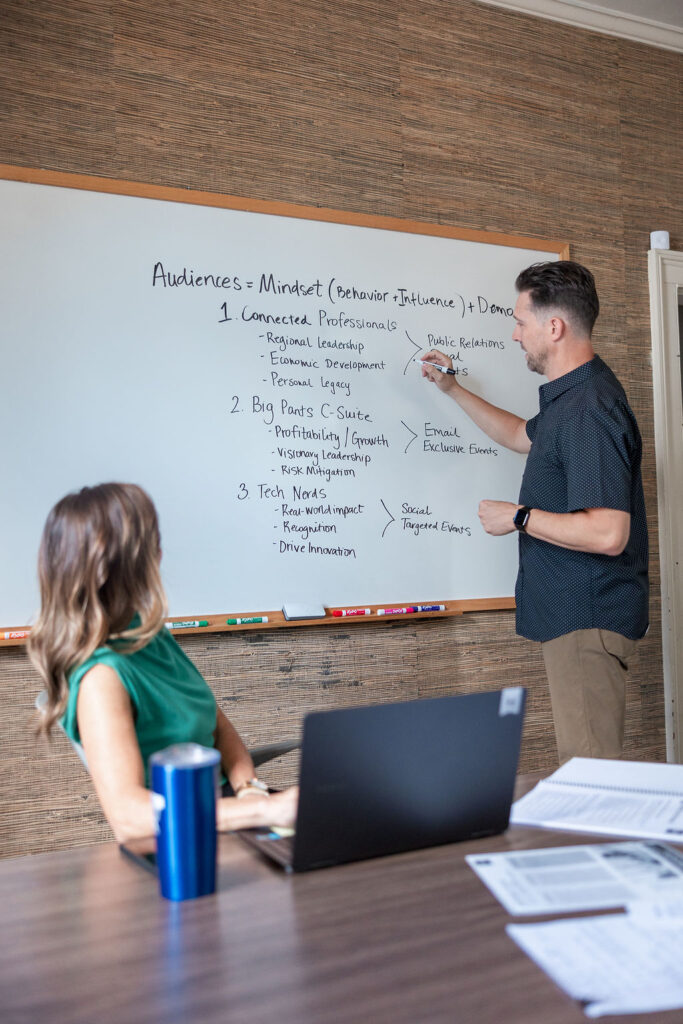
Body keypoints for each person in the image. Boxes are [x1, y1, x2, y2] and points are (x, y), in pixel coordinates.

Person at [422, 260, 648, 763]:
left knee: (590, 772)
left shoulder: (589, 408)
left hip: (587, 617)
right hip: (576, 617)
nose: (514, 334)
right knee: (585, 767)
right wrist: (453, 389)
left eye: (520, 321)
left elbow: (609, 532)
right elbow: (519, 435)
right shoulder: (573, 399)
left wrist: (519, 516)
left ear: (554, 327)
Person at [28, 482, 298, 841]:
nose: (159, 551)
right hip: (181, 839)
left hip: (230, 811)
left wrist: (250, 789)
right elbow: (129, 817)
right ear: (120, 565)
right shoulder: (101, 677)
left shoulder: (147, 632)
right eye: (150, 541)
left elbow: (217, 727)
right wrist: (262, 810)